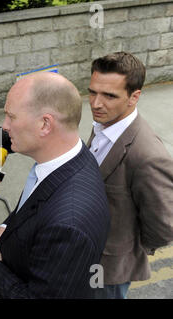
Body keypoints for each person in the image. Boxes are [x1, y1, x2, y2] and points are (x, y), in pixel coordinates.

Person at [0, 72, 110, 299]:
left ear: (45, 124)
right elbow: (33, 202)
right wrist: (5, 228)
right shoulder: (69, 157)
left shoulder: (68, 225)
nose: (5, 126)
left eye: (11, 117)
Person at [86, 52, 173, 299]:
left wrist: (127, 248)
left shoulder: (147, 155)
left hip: (109, 269)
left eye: (109, 96)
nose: (95, 103)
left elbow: (164, 227)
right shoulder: (105, 123)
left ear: (134, 97)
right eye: (93, 92)